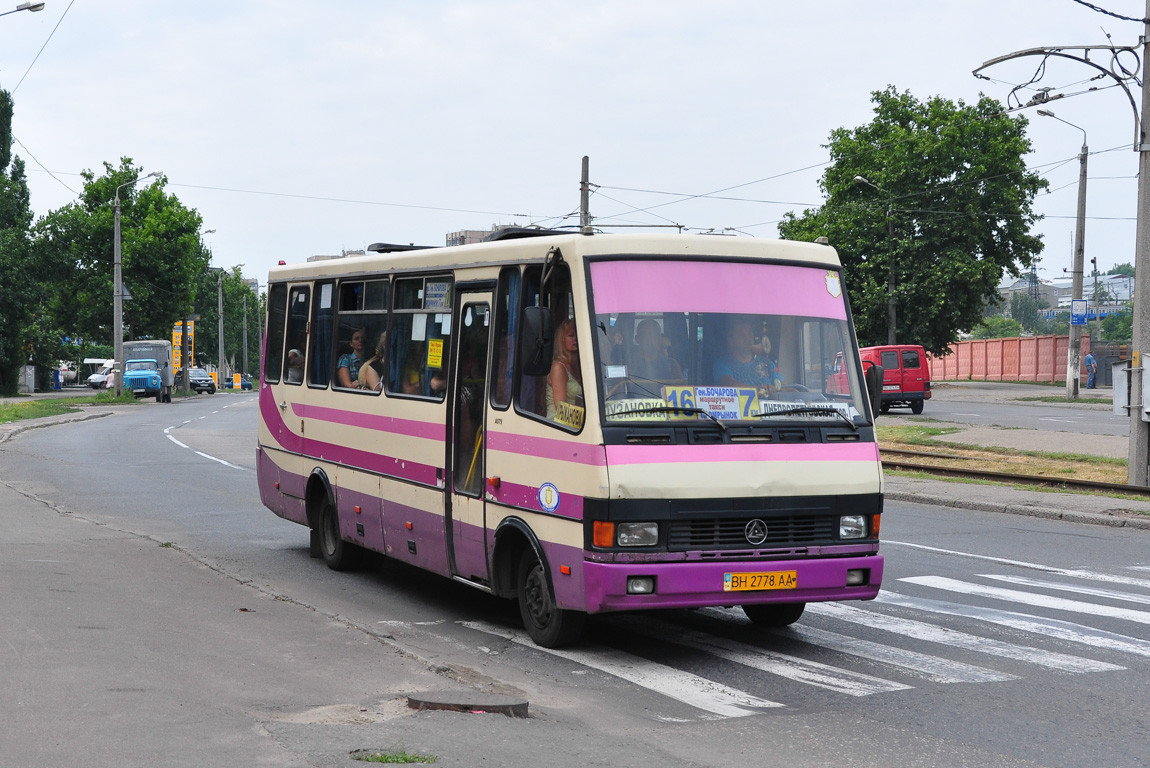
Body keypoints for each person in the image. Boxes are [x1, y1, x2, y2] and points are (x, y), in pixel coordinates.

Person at [714, 316, 783, 394]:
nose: (747, 339)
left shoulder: (767, 364)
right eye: (741, 335)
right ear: (731, 340)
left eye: (749, 333)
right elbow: (728, 384)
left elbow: (783, 387)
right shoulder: (723, 364)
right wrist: (759, 390)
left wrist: (791, 391)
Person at [546, 318, 583, 420]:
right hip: (560, 424)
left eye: (578, 334)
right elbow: (561, 409)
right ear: (561, 340)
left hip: (581, 423)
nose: (576, 339)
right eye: (571, 335)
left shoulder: (581, 366)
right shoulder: (558, 367)